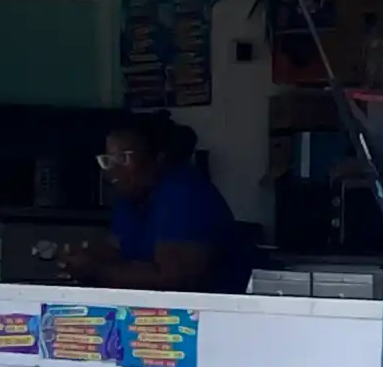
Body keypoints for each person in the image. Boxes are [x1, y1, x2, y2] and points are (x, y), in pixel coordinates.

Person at [65, 118, 249, 294]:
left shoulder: (184, 191)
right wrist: (82, 258)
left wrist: (96, 270)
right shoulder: (130, 194)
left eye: (123, 158)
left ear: (157, 158)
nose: (112, 169)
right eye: (107, 160)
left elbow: (171, 281)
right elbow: (116, 251)